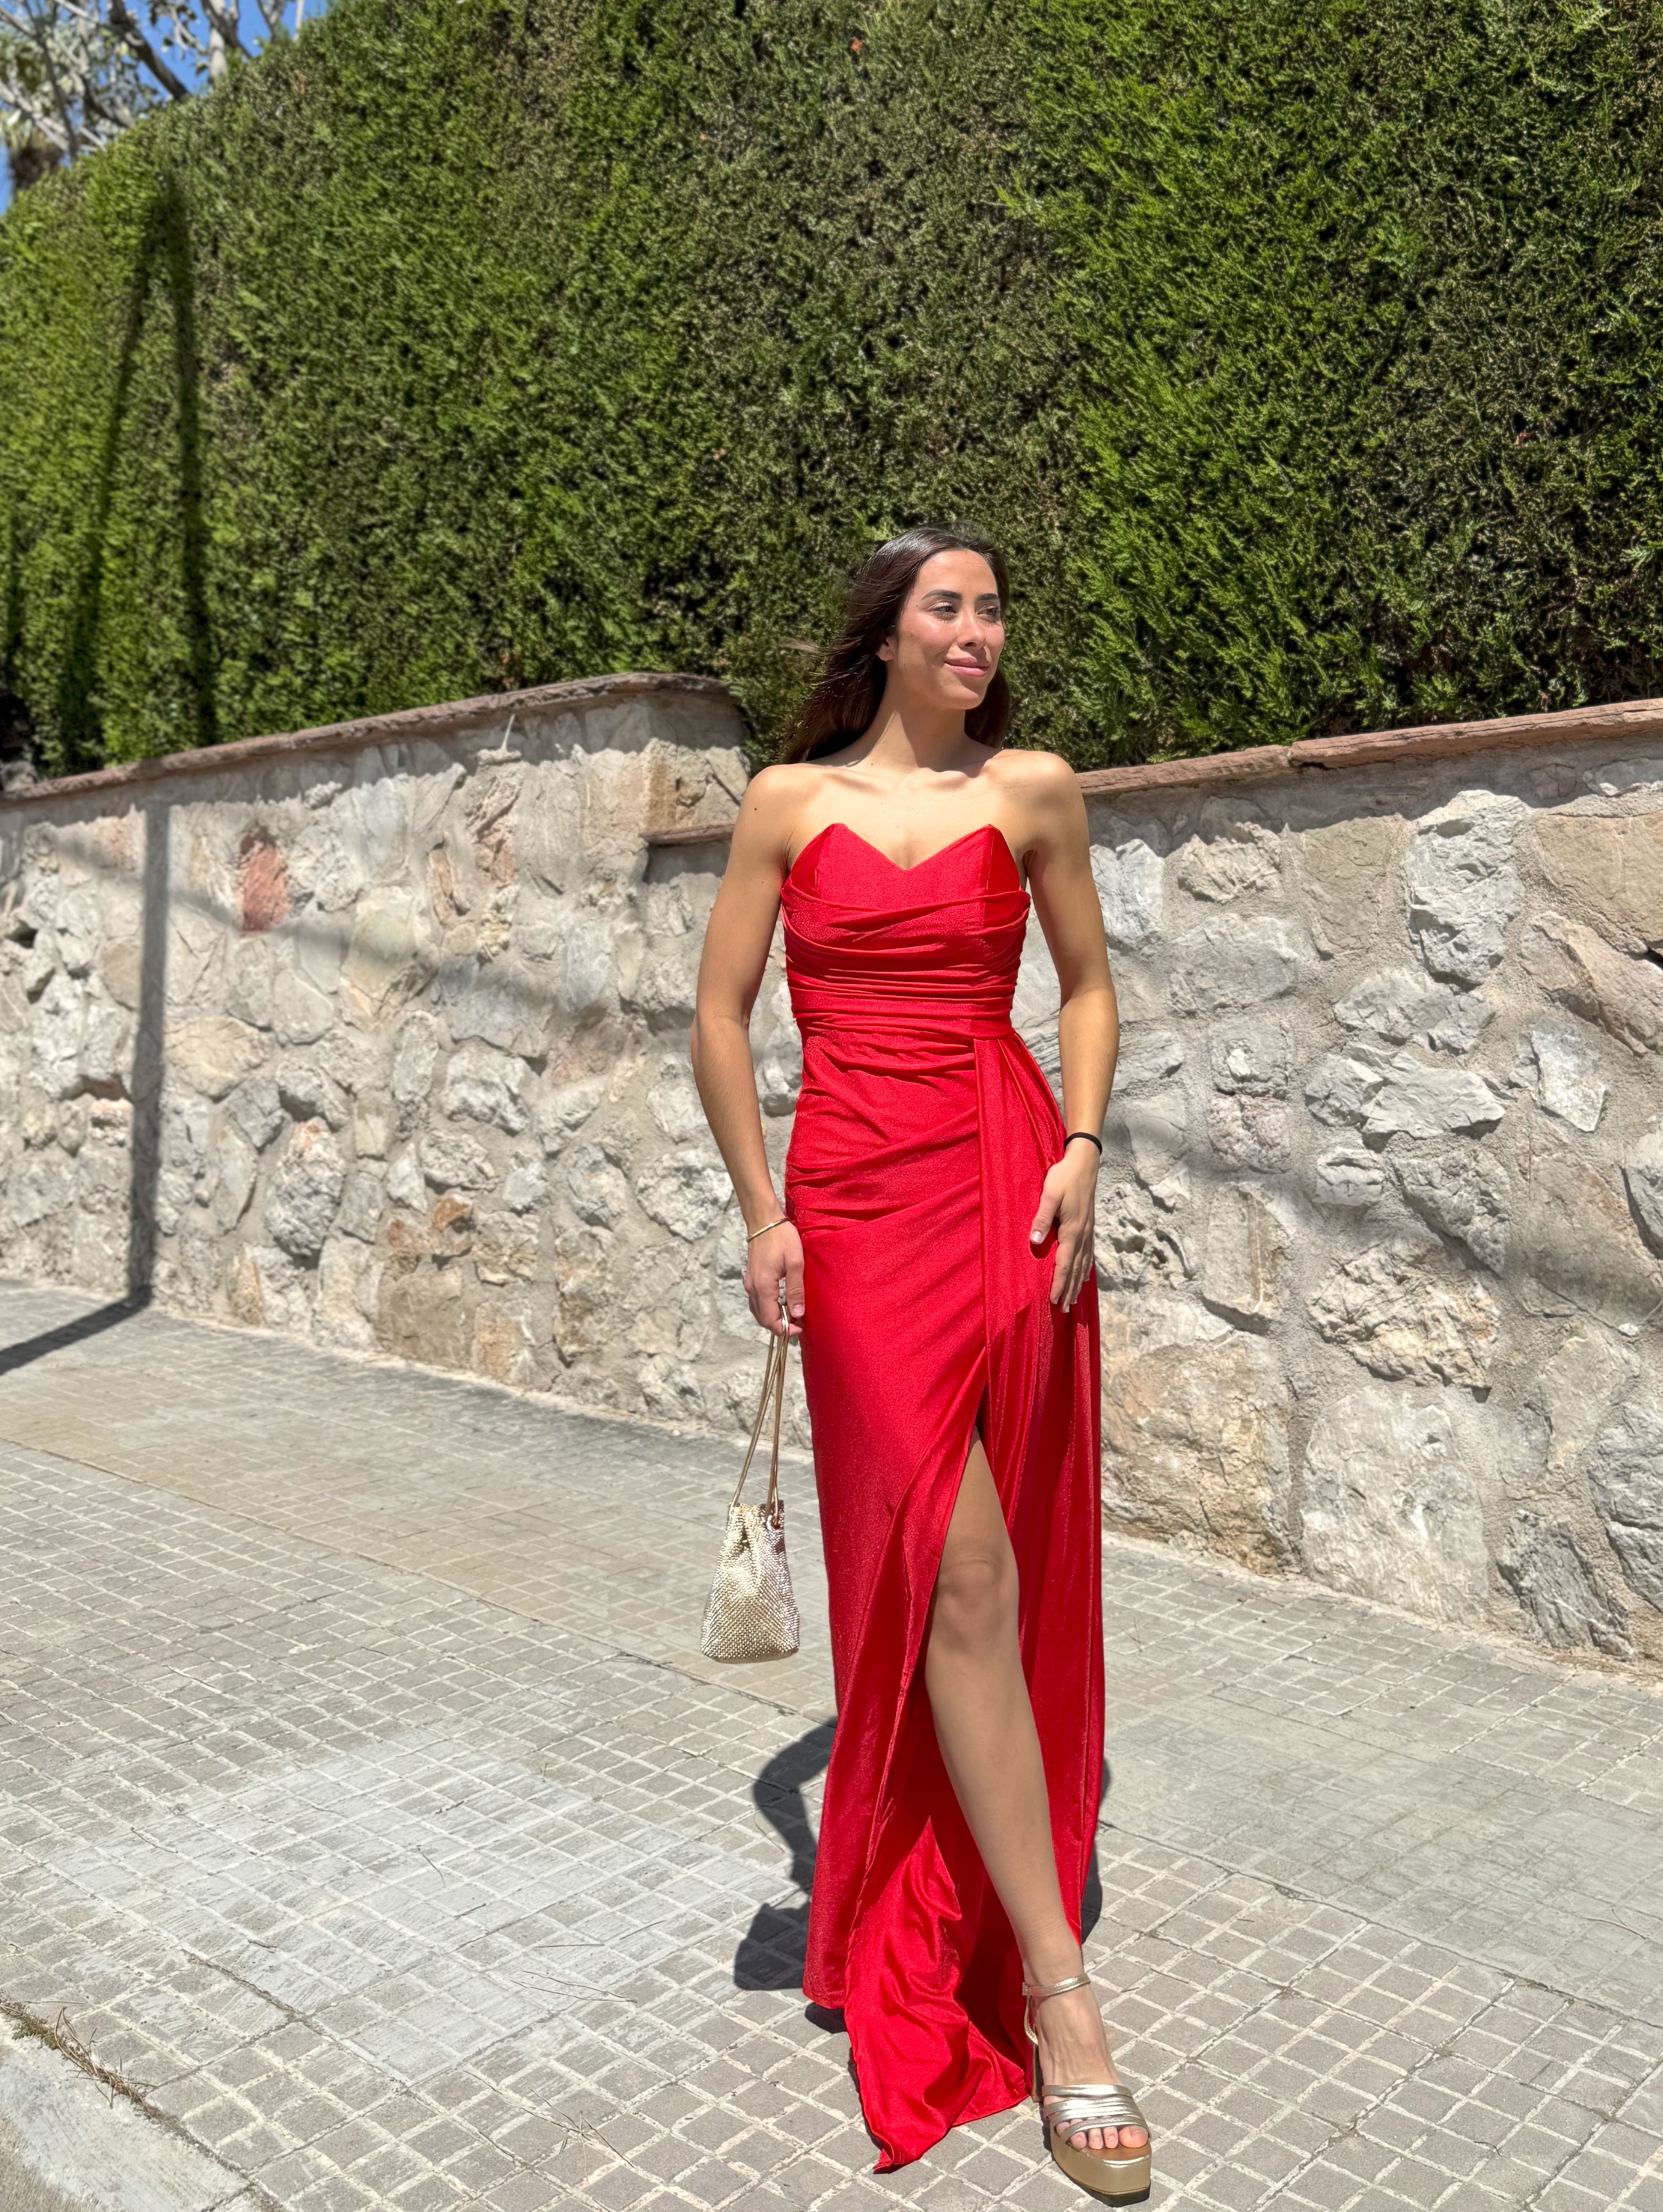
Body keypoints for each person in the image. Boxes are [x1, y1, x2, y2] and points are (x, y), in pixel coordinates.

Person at [689, 527, 1148, 2199]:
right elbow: (721, 1015)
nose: (980, 628)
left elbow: (1089, 987)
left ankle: (1026, 1942)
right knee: (945, 1570)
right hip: (856, 1205)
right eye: (947, 605)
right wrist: (762, 1208)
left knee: (993, 1565)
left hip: (1000, 1177)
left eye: (992, 607)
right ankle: (1055, 1984)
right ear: (882, 633)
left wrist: (1083, 1141)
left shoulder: (1031, 788)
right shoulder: (782, 806)